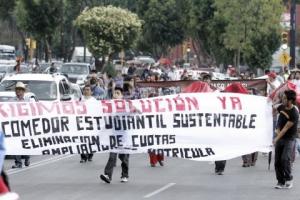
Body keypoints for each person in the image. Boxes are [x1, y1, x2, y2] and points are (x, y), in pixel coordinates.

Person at [100, 87, 130, 184]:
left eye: (118, 93)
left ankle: (125, 175)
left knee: (123, 157)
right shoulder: (109, 106)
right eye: (114, 93)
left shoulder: (127, 105)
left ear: (121, 96)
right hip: (113, 135)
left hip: (124, 135)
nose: (116, 94)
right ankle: (108, 175)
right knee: (112, 156)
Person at [273, 90, 299, 189]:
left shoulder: (294, 113)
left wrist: (276, 138)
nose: (282, 99)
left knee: (285, 159)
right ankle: (280, 181)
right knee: (277, 161)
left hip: (289, 139)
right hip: (280, 136)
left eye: (284, 98)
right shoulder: (281, 107)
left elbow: (285, 129)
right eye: (282, 97)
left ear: (290, 100)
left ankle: (289, 179)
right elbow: (274, 111)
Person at [11, 82, 31, 169]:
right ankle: (18, 162)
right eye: (17, 90)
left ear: (23, 91)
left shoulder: (28, 101)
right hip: (15, 125)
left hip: (25, 125)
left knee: (24, 144)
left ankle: (27, 158)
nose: (18, 92)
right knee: (16, 144)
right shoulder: (11, 101)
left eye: (20, 90)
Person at [79, 85, 97, 163]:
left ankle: (90, 155)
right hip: (82, 123)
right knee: (82, 140)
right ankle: (83, 157)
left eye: (88, 90)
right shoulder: (80, 100)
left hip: (91, 123)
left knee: (91, 140)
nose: (86, 91)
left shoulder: (94, 101)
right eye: (85, 90)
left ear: (91, 92)